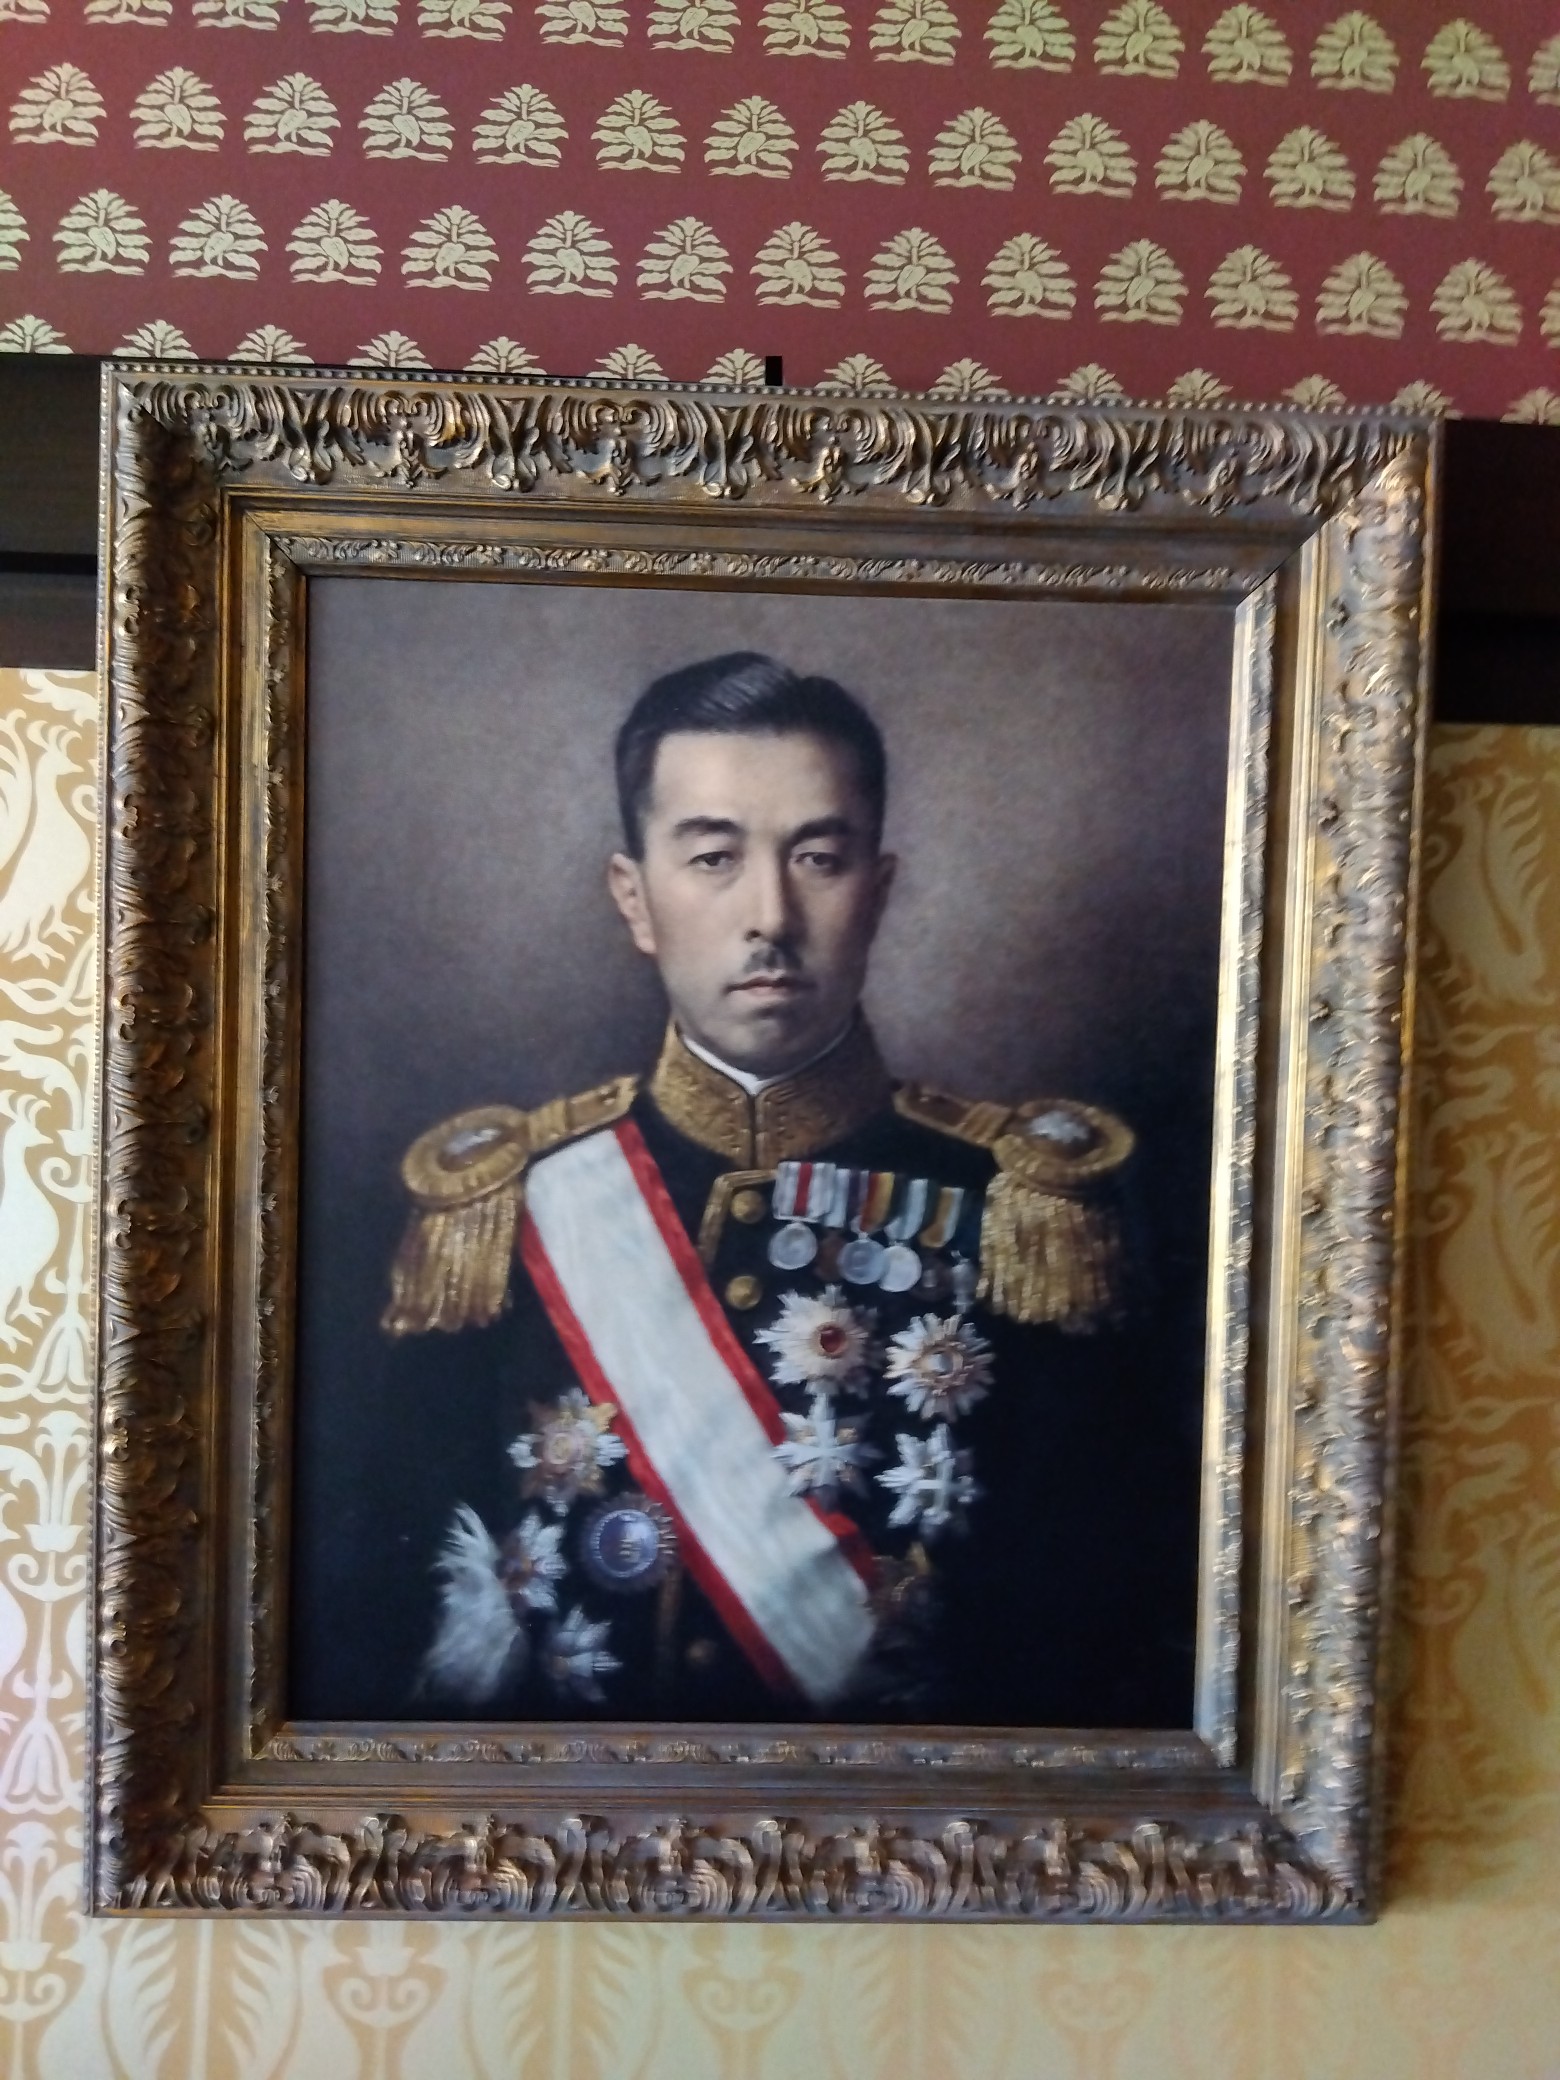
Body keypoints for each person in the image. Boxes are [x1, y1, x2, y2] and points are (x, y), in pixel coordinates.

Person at [377, 653, 1187, 1727]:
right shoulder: (507, 1207)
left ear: (878, 892)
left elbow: (1093, 1625)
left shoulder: (1029, 1211)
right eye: (714, 857)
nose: (771, 914)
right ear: (635, 898)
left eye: (818, 858)